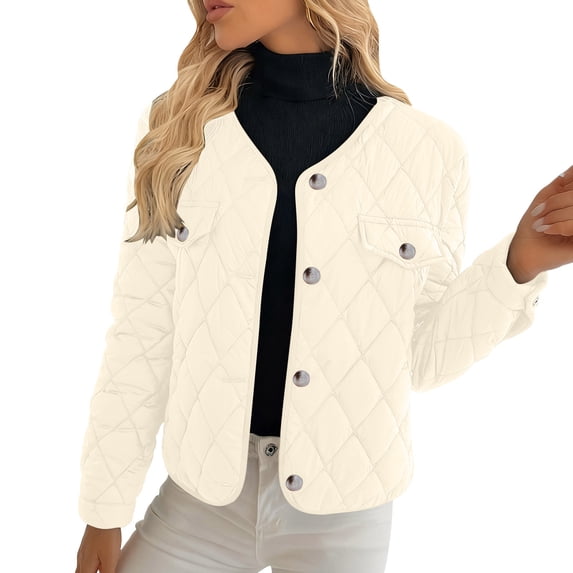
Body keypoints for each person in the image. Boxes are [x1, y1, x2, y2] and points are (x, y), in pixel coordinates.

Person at [74, 0, 573, 572]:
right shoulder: (179, 131)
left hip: (345, 516)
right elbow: (142, 336)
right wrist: (103, 510)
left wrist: (518, 264)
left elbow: (421, 359)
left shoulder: (426, 150)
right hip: (197, 504)